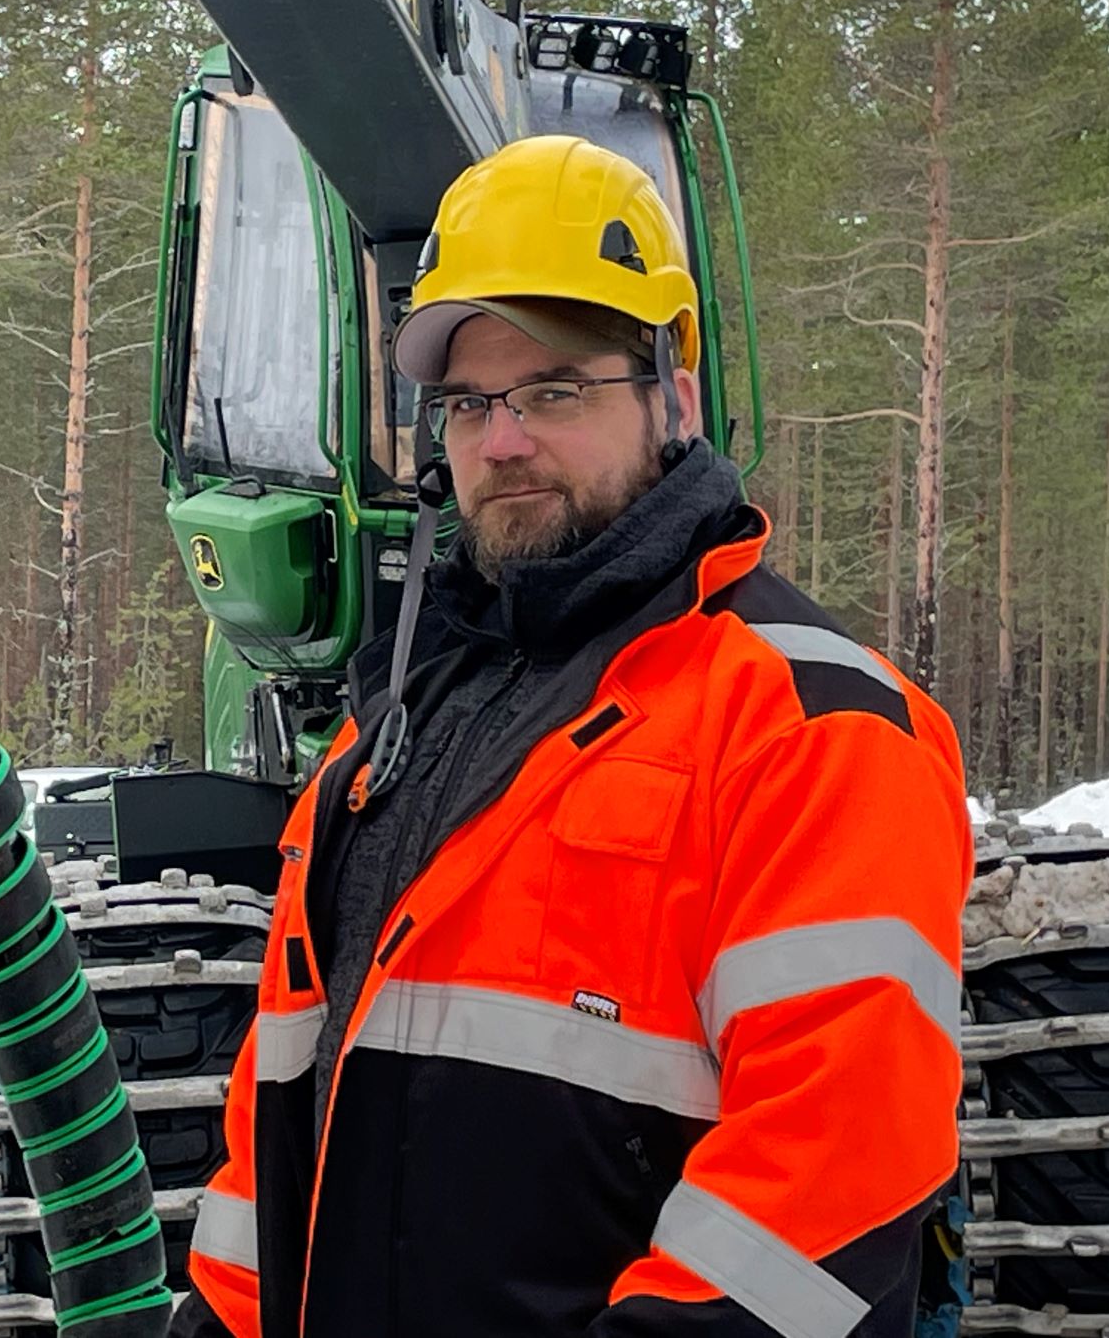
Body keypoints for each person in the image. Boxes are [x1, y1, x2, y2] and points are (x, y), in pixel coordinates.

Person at [173, 135, 971, 1337]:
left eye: (554, 389)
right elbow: (273, 1116)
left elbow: (823, 1193)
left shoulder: (809, 723)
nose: (500, 441)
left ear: (673, 392)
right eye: (467, 402)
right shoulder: (384, 745)